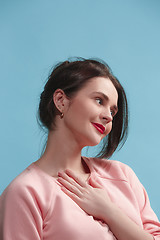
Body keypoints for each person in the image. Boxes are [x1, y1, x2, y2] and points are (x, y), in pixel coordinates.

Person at [0, 58, 160, 240]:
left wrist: (109, 212)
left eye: (113, 111)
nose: (108, 116)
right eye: (99, 101)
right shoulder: (25, 192)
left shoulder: (122, 176)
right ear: (61, 101)